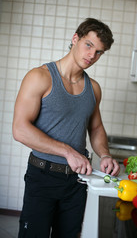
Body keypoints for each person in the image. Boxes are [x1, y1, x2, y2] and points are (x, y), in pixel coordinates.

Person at [12, 17, 120, 238]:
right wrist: (68, 151)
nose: (92, 56)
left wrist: (105, 154)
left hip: (77, 181)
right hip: (43, 176)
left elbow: (96, 128)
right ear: (75, 39)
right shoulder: (40, 76)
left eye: (99, 52)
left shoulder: (94, 88)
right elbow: (20, 129)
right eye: (88, 45)